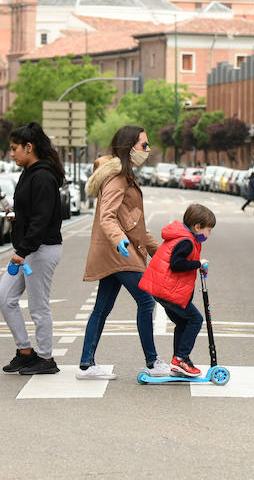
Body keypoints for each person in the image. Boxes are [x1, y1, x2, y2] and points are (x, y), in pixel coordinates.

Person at [75, 126, 170, 381]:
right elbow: (107, 215)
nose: (147, 151)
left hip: (118, 252)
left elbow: (136, 226)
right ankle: (152, 362)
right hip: (120, 254)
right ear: (130, 148)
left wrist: (162, 252)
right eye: (144, 145)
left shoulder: (125, 176)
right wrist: (120, 241)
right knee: (146, 301)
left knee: (102, 308)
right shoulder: (117, 178)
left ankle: (86, 365)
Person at [0, 122, 64, 376]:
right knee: (4, 298)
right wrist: (17, 217)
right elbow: (33, 213)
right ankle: (25, 352)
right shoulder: (30, 172)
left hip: (40, 251)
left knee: (38, 307)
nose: (11, 153)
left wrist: (22, 250)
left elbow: (42, 219)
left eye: (14, 149)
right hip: (29, 250)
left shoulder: (44, 176)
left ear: (29, 147)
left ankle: (46, 359)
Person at [139, 204, 216, 378]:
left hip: (163, 289)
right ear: (197, 227)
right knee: (196, 320)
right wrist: (198, 264)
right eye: (208, 229)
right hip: (168, 290)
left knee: (183, 322)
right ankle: (181, 359)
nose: (209, 234)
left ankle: (178, 361)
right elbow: (176, 264)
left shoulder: (184, 237)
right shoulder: (187, 242)